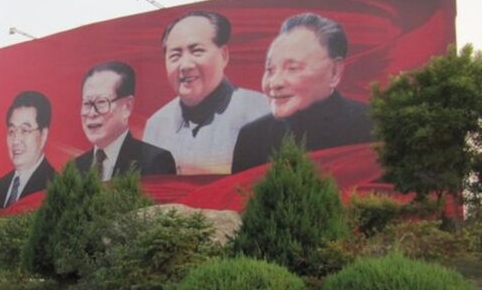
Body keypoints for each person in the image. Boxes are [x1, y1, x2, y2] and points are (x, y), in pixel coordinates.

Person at [231, 13, 374, 173]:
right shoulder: (252, 138)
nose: (274, 83)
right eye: (270, 70)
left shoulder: (372, 126)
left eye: (292, 68)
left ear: (334, 72)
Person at [143, 10, 270, 175]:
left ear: (224, 55)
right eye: (175, 55)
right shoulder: (156, 125)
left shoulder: (262, 113)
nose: (185, 65)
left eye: (197, 51)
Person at [74, 61, 176, 180]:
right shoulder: (75, 167)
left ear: (127, 107)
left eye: (101, 102)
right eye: (87, 103)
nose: (91, 113)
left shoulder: (155, 162)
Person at [0, 91, 57, 209]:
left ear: (43, 135)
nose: (16, 140)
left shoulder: (55, 186)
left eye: (24, 130)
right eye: (12, 131)